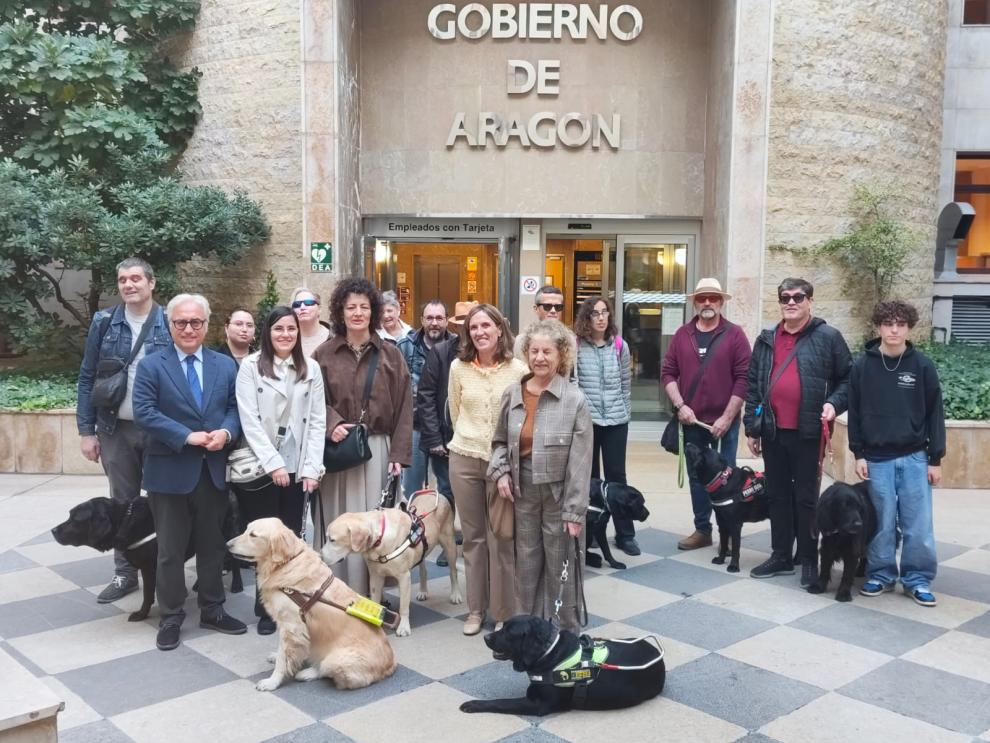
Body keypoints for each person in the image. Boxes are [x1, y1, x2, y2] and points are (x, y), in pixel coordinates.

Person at [132, 294, 245, 651]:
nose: (188, 328)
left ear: (207, 325)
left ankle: (213, 608)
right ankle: (170, 616)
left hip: (211, 471)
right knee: (170, 549)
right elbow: (144, 412)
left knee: (212, 544)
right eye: (181, 322)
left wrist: (226, 433)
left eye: (196, 322)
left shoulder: (225, 366)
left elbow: (235, 409)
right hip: (168, 472)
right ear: (170, 326)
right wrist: (186, 436)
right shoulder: (152, 365)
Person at [76, 257, 172, 604]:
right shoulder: (104, 322)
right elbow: (88, 376)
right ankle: (124, 572)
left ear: (151, 283)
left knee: (164, 499)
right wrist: (87, 431)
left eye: (135, 279)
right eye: (122, 280)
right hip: (116, 429)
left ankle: (165, 565)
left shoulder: (168, 321)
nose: (129, 285)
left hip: (159, 430)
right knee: (122, 503)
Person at [744, 278, 852, 586]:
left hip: (809, 431)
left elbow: (848, 379)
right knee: (777, 495)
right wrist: (752, 427)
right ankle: (780, 555)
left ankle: (807, 557)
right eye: (785, 297)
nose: (791, 302)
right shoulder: (766, 339)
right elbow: (754, 386)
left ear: (810, 301)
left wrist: (833, 403)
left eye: (798, 297)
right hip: (773, 432)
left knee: (806, 498)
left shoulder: (828, 337)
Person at [490, 320, 593, 631]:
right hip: (522, 490)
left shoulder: (574, 399)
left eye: (547, 351)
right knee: (527, 561)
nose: (540, 358)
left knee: (562, 562)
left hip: (560, 495)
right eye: (534, 351)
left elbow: (581, 461)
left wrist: (575, 511)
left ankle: (565, 631)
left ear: (561, 355)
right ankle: (528, 628)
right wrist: (502, 471)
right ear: (526, 354)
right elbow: (497, 442)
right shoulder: (513, 393)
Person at [312, 278, 413, 596]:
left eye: (364, 307)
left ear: (374, 311)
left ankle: (373, 594)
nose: (357, 313)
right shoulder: (323, 355)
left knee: (374, 526)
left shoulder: (391, 355)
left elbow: (405, 406)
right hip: (339, 450)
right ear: (340, 311)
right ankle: (339, 591)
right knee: (340, 521)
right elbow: (314, 400)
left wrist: (398, 455)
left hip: (378, 448)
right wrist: (333, 423)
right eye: (350, 307)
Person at [235, 306, 327, 633]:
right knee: (264, 541)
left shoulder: (311, 368)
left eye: (291, 329)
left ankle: (289, 601)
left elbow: (317, 421)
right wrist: (273, 463)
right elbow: (250, 420)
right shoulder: (250, 367)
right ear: (268, 333)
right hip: (263, 466)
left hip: (299, 463)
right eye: (278, 329)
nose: (285, 335)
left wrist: (312, 468)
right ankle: (264, 610)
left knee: (289, 538)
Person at [848, 301, 945, 606]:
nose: (894, 330)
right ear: (878, 326)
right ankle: (881, 574)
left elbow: (935, 414)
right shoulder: (862, 366)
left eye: (900, 324)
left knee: (918, 525)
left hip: (915, 458)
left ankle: (917, 579)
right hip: (876, 460)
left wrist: (935, 459)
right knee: (882, 523)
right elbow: (855, 413)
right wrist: (858, 453)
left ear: (908, 328)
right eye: (888, 323)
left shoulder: (922, 366)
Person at [448, 303, 527, 635]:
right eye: (473, 327)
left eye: (485, 326)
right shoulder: (458, 368)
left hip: (502, 465)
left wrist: (506, 460)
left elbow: (522, 419)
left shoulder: (519, 370)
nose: (479, 332)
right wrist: (471, 439)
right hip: (464, 456)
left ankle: (504, 613)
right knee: (473, 537)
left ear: (499, 329)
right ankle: (476, 610)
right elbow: (454, 411)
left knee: (502, 537)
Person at [660, 278, 751, 551]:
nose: (708, 303)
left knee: (726, 478)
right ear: (695, 303)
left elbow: (744, 378)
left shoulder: (735, 335)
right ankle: (703, 529)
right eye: (702, 298)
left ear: (721, 302)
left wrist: (727, 417)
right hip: (692, 422)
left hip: (726, 423)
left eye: (713, 298)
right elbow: (668, 373)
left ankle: (729, 529)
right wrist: (680, 406)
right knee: (698, 477)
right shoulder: (682, 335)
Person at [573, 296, 638, 555]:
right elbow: (574, 382)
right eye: (594, 313)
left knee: (617, 476)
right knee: (590, 479)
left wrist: (625, 413)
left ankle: (625, 534)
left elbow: (625, 383)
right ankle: (589, 532)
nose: (601, 317)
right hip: (588, 421)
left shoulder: (620, 346)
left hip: (615, 421)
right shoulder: (577, 346)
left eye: (604, 312)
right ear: (586, 318)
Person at [417, 300, 475, 567]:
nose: (469, 330)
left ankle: (477, 547)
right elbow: (426, 396)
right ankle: (448, 543)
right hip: (447, 437)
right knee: (448, 493)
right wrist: (434, 439)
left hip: (477, 439)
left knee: (476, 495)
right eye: (463, 324)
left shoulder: (487, 352)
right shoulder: (441, 351)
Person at [396, 299, 456, 497]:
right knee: (410, 487)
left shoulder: (458, 347)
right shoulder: (404, 346)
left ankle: (444, 527)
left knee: (448, 487)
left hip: (446, 429)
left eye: (439, 318)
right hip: (415, 427)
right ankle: (412, 526)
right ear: (421, 320)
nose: (434, 323)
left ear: (447, 321)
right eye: (429, 318)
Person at [515, 285, 566, 357]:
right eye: (547, 306)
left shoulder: (570, 340)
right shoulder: (521, 340)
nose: (553, 311)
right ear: (536, 309)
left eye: (558, 307)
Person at [290, 287, 332, 357]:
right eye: (297, 304)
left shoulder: (333, 338)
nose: (302, 307)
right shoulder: (288, 339)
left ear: (319, 309)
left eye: (308, 303)